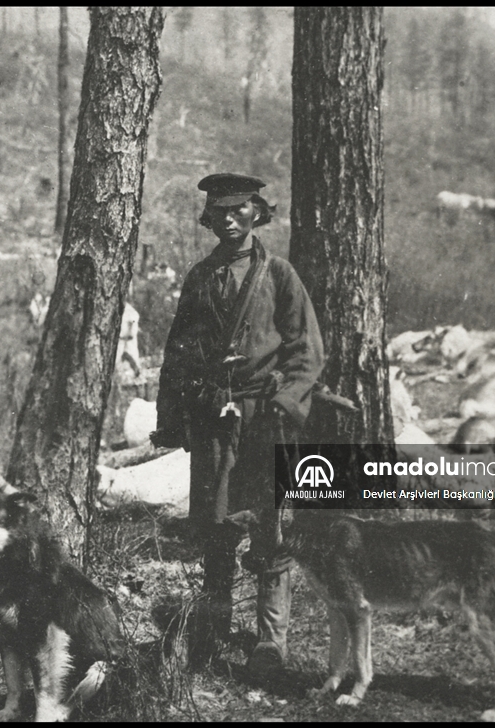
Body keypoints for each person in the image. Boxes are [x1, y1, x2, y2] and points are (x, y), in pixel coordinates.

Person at [152, 173, 324, 672]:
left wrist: (286, 403)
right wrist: (171, 418)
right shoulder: (199, 277)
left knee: (269, 527)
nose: (228, 220)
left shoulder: (280, 276)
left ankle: (271, 642)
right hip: (213, 419)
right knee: (216, 529)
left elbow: (306, 352)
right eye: (219, 213)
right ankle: (211, 633)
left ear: (257, 213)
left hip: (263, 420)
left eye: (238, 211)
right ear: (208, 219)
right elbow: (177, 352)